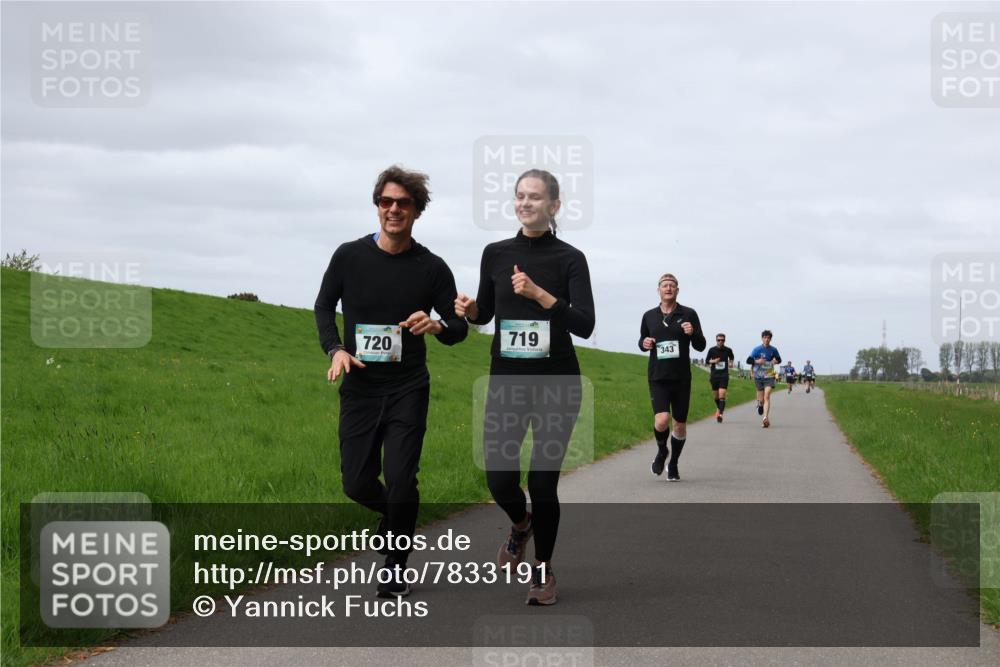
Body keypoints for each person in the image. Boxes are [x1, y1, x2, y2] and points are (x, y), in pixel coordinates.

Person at [315, 165, 468, 598]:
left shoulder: (432, 268)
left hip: (407, 388)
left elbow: (458, 326)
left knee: (402, 479)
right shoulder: (349, 256)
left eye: (403, 203)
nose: (394, 209)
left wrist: (437, 325)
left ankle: (396, 565)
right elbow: (325, 306)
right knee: (356, 483)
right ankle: (396, 519)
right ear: (377, 206)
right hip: (360, 387)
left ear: (417, 211)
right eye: (386, 202)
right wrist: (335, 349)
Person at [455, 169, 594, 606]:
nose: (525, 203)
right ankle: (521, 525)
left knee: (542, 481)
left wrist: (541, 296)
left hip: (556, 383)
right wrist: (472, 310)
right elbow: (486, 315)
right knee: (498, 479)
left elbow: (586, 325)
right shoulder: (495, 253)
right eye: (520, 196)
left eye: (535, 197)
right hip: (507, 383)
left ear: (554, 206)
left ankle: (544, 572)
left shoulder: (571, 258)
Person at [639, 274, 706, 480]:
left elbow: (701, 345)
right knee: (662, 420)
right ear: (658, 290)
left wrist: (692, 332)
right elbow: (642, 340)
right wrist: (645, 343)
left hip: (681, 378)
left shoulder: (689, 314)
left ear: (677, 290)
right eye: (664, 285)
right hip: (658, 376)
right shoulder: (649, 316)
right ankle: (662, 451)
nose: (668, 288)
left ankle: (674, 463)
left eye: (672, 286)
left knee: (679, 424)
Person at [747, 330, 782, 428]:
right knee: (761, 398)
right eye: (765, 337)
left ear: (770, 339)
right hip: (758, 376)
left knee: (767, 396)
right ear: (762, 338)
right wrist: (757, 361)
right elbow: (748, 360)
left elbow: (779, 359)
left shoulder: (773, 350)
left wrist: (776, 361)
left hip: (769, 376)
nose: (766, 339)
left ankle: (765, 418)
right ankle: (760, 404)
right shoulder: (757, 349)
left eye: (768, 338)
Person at [705, 333, 735, 422]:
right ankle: (719, 409)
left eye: (722, 340)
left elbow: (732, 357)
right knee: (716, 397)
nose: (720, 341)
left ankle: (720, 414)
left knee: (722, 394)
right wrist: (714, 361)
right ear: (716, 340)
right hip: (714, 376)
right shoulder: (712, 350)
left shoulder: (728, 350)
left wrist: (730, 363)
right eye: (719, 340)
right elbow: (707, 361)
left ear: (724, 341)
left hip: (724, 375)